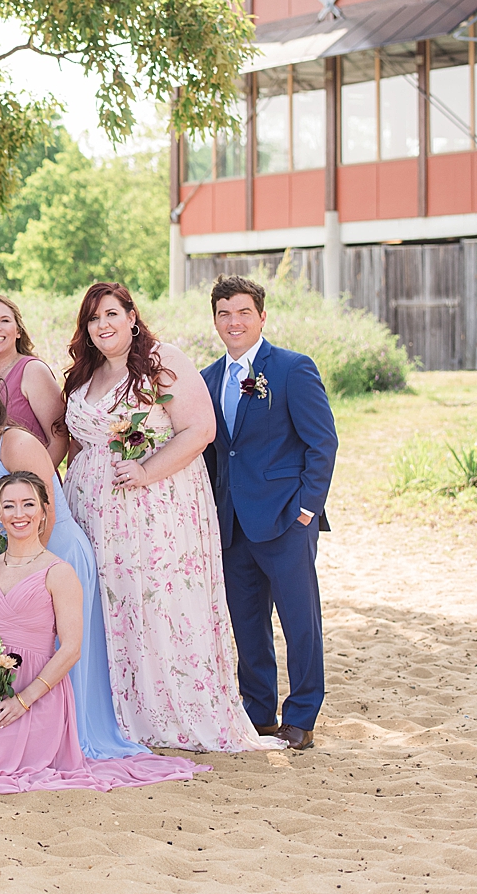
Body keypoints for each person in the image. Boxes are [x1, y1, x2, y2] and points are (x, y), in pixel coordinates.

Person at [61, 282, 277, 753]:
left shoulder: (162, 360)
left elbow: (200, 429)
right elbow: (77, 442)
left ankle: (165, 709)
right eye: (94, 318)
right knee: (106, 605)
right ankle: (110, 708)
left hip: (155, 508)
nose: (103, 325)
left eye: (112, 314)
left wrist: (144, 470)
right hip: (90, 509)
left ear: (132, 317)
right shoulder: (85, 373)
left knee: (155, 604)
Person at [0, 472, 204, 792]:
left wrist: (23, 701)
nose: (19, 514)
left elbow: (71, 649)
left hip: (38, 694)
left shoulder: (58, 572)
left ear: (43, 512)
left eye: (28, 504)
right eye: (9, 506)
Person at [0, 370, 143, 760]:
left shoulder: (17, 443)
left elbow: (48, 512)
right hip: (14, 560)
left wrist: (30, 570)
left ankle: (69, 733)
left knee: (58, 648)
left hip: (54, 555)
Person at [202, 275, 338, 751]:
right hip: (232, 524)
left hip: (285, 519)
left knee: (300, 622)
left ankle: (301, 714)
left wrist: (306, 508)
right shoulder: (207, 379)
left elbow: (322, 442)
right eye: (224, 313)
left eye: (243, 312)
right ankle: (257, 711)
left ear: (262, 316)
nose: (233, 321)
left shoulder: (292, 369)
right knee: (247, 624)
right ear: (215, 320)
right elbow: (215, 455)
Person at [0, 295, 68, 468]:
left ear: (18, 331)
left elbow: (60, 440)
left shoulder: (33, 371)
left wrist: (34, 484)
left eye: (5, 320)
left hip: (29, 484)